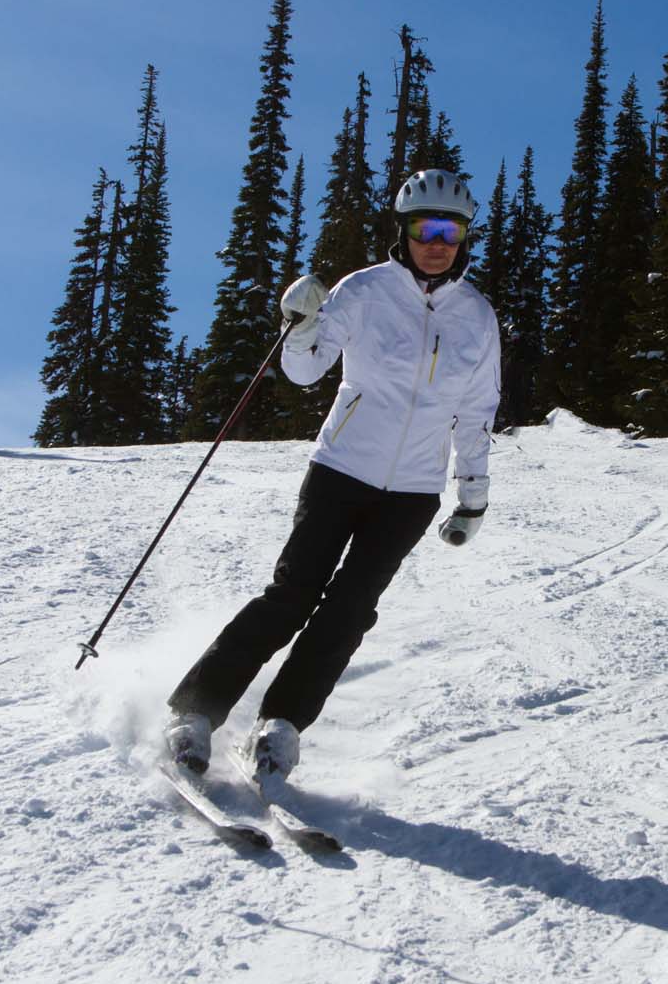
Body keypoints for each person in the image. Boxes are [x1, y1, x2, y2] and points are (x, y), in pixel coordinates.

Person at [163, 169, 502, 781]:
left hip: (413, 492)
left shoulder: (477, 317)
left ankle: (282, 725)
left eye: (450, 231)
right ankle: (195, 711)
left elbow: (477, 412)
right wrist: (301, 325)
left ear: (463, 237)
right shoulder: (365, 291)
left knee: (350, 610)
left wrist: (471, 493)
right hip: (341, 469)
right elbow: (304, 370)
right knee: (292, 595)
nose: (437, 242)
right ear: (404, 231)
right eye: (426, 227)